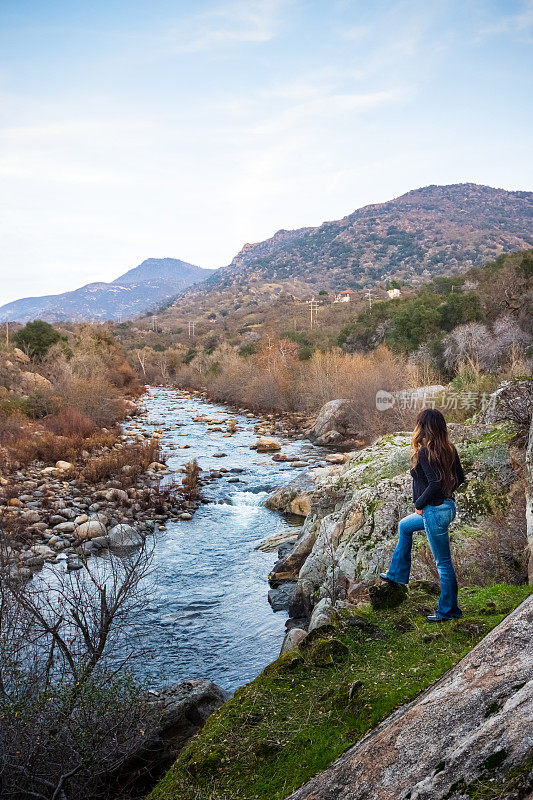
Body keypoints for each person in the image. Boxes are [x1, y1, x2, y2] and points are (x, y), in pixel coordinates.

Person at [380, 408, 465, 622]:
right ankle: (397, 574)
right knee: (405, 526)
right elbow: (460, 478)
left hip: (434, 511)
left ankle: (449, 611)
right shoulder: (449, 449)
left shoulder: (426, 452)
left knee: (443, 563)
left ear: (423, 427)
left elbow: (435, 482)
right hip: (445, 509)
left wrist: (420, 503)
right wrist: (446, 494)